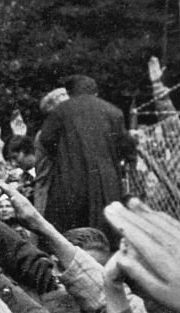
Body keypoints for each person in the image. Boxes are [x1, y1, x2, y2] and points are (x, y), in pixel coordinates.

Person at [39, 75, 136, 238]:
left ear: (70, 92)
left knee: (72, 231)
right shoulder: (114, 111)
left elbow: (46, 139)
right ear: (95, 92)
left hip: (70, 178)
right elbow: (126, 145)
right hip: (107, 180)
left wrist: (62, 153)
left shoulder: (60, 111)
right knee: (108, 228)